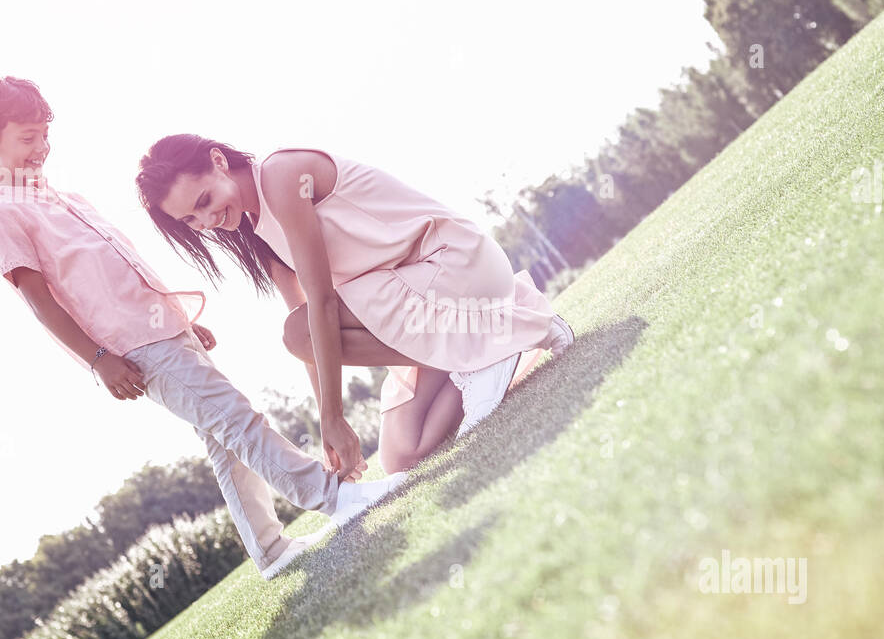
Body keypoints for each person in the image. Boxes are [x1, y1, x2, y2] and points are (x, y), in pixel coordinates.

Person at [0, 75, 405, 580]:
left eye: (45, 134)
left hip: (162, 330)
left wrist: (181, 322)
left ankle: (270, 550)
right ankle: (335, 498)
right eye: (27, 138)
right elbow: (42, 304)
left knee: (223, 437)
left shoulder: (68, 199)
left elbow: (122, 271)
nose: (41, 148)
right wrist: (98, 360)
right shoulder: (3, 215)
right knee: (236, 418)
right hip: (131, 350)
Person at [135, 137, 575, 475]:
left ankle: (492, 341)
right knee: (403, 453)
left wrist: (334, 415)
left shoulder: (282, 174)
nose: (207, 222)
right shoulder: (258, 229)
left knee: (296, 332)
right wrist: (330, 438)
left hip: (454, 268)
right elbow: (312, 338)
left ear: (217, 161)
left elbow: (323, 305)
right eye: (191, 221)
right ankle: (504, 333)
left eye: (204, 201)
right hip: (417, 301)